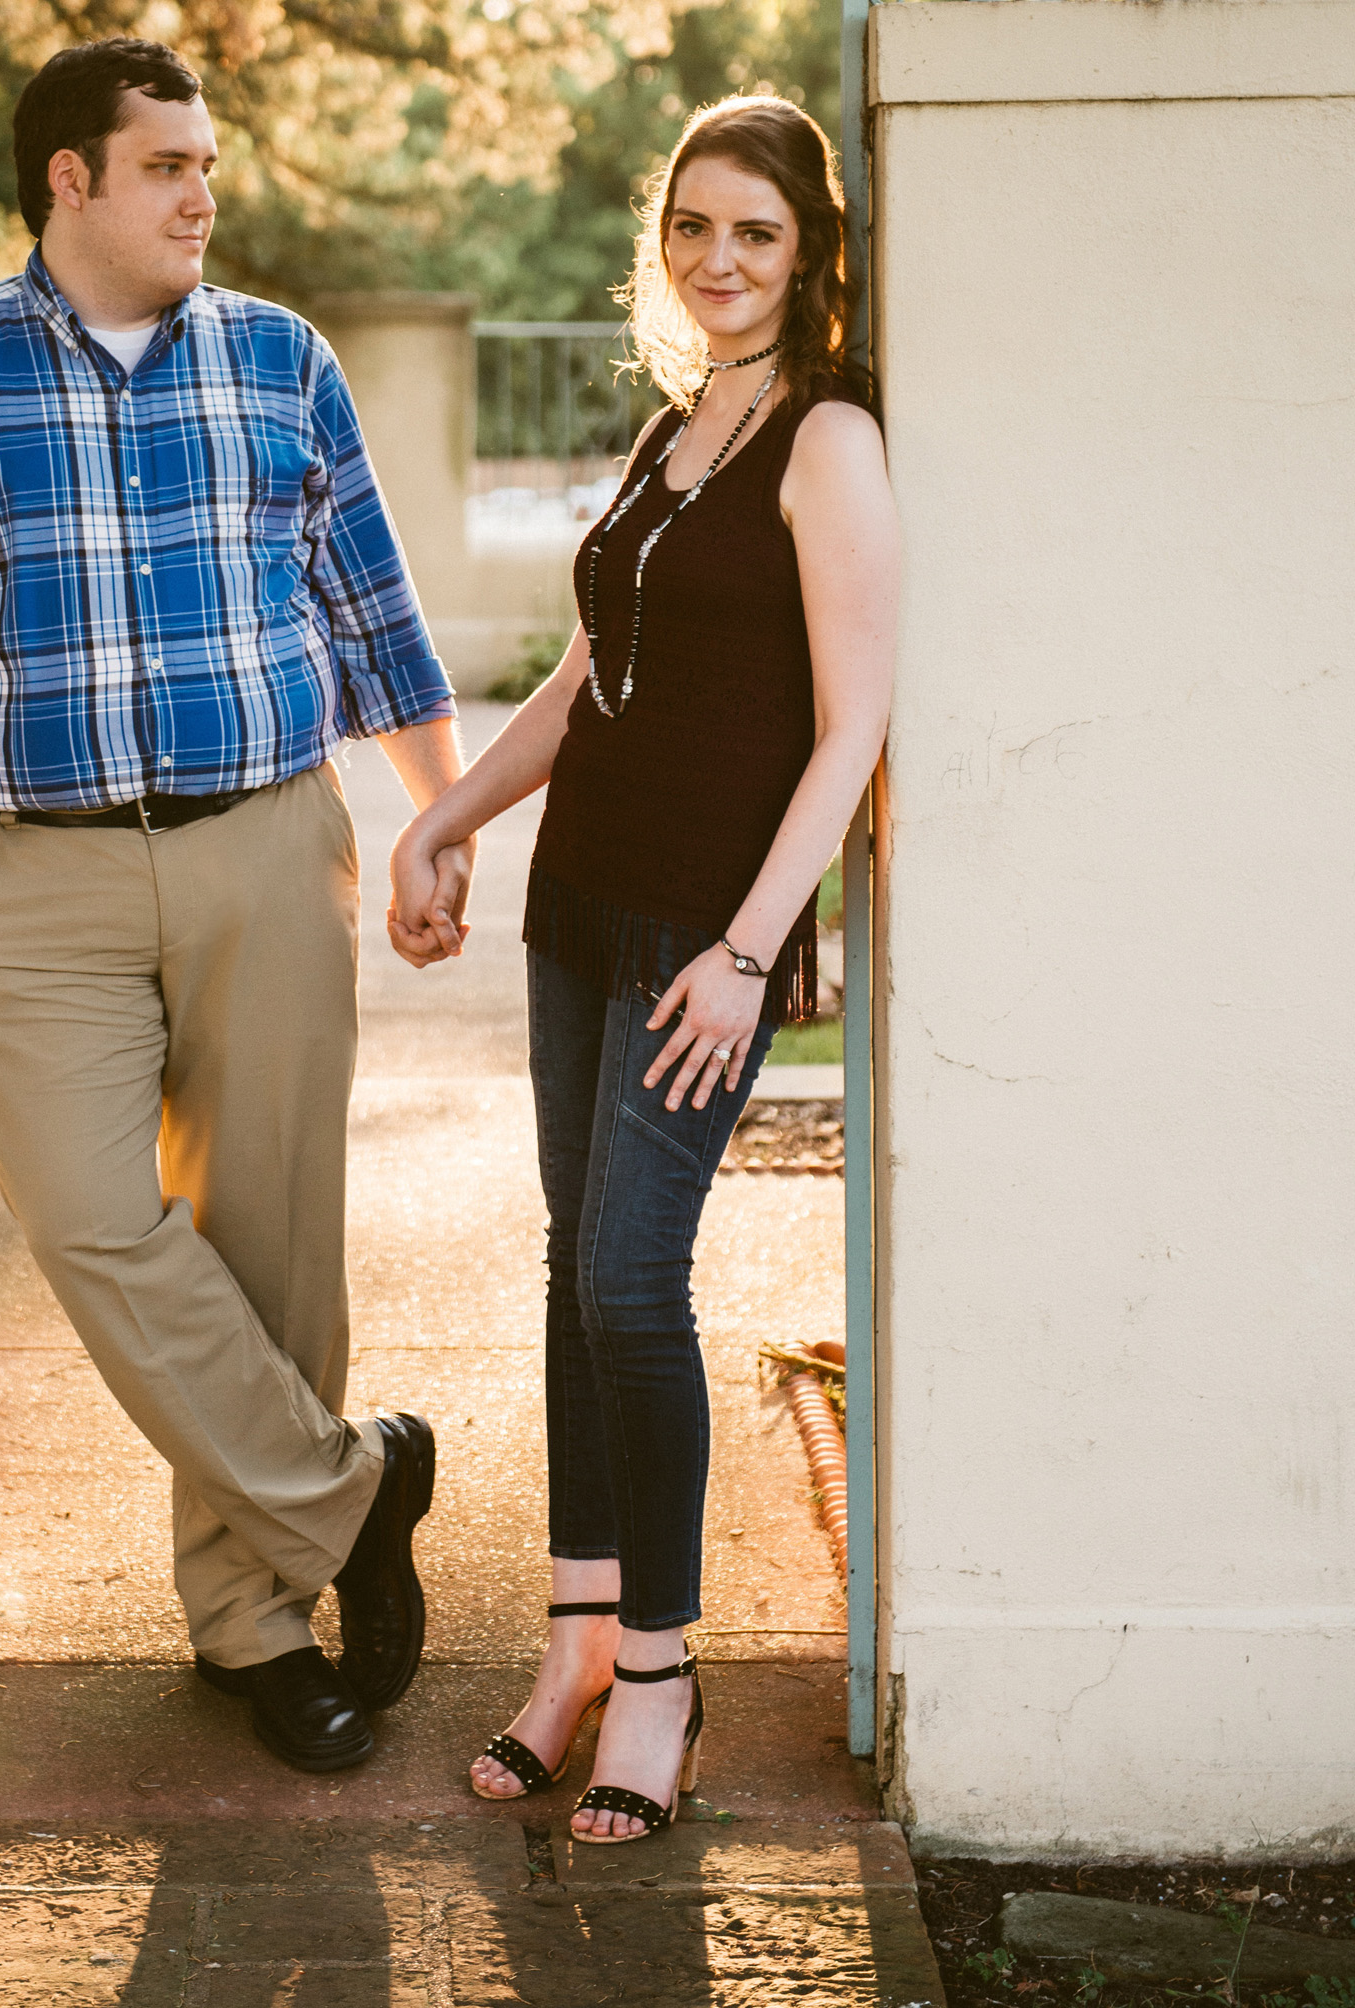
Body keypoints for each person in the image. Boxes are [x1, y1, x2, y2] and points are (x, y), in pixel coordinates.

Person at [0, 35, 470, 1776]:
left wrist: (437, 818)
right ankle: (354, 1492)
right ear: (70, 178)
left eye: (208, 163)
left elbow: (370, 604)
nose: (204, 193)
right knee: (93, 1227)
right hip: (23, 874)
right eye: (168, 166)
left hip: (266, 846)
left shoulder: (280, 356)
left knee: (274, 1245)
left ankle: (253, 1626)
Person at [388, 93, 899, 1844]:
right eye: (693, 227)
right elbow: (582, 678)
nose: (718, 258)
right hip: (578, 899)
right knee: (570, 1275)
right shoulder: (677, 426)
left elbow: (854, 727)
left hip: (702, 932)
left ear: (809, 251)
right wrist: (445, 816)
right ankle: (579, 1644)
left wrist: (754, 950)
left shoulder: (827, 437)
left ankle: (664, 1675)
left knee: (628, 1279)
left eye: (756, 230)